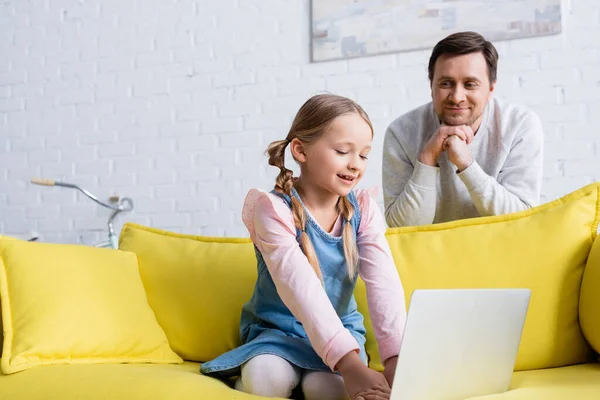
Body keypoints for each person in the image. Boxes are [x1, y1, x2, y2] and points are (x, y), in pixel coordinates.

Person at [200, 94, 406, 400]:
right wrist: (349, 365)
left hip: (340, 335)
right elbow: (301, 288)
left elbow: (384, 287)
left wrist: (395, 361)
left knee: (326, 390)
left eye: (363, 155)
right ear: (300, 150)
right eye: (342, 151)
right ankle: (244, 380)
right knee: (268, 380)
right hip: (277, 334)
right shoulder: (273, 209)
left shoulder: (364, 209)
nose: (355, 165)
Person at [383, 31, 544, 228]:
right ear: (431, 86)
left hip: (501, 251)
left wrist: (467, 165)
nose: (457, 96)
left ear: (491, 87)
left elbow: (522, 218)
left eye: (470, 84)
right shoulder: (401, 133)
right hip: (432, 255)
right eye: (446, 83)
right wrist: (426, 159)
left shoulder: (520, 125)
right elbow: (403, 228)